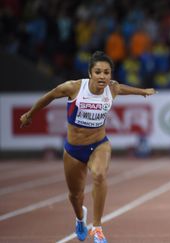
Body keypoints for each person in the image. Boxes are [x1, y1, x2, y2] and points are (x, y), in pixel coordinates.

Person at [19, 51, 156, 243]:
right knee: (75, 196)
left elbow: (122, 88)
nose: (102, 76)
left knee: (99, 175)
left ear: (110, 75)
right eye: (98, 72)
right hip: (74, 150)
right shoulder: (74, 87)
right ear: (90, 73)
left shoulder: (112, 89)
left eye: (106, 72)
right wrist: (30, 114)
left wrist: (143, 92)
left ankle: (97, 228)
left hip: (99, 144)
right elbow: (49, 97)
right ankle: (79, 218)